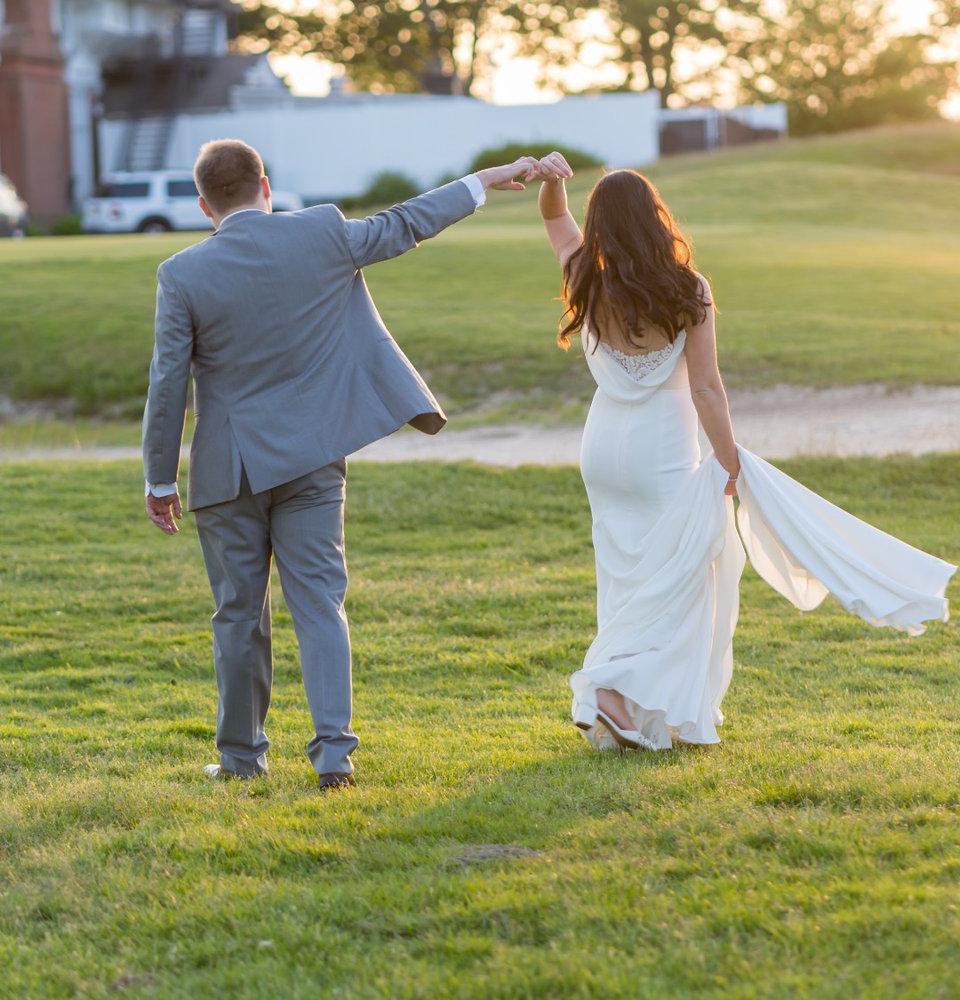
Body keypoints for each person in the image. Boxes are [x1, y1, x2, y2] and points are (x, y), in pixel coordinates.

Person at [142, 139, 543, 788]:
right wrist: (483, 180)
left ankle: (242, 761)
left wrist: (160, 479)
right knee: (321, 606)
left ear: (203, 206)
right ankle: (334, 757)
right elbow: (406, 224)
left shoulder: (180, 273)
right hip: (313, 459)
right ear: (264, 188)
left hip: (229, 470)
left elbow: (168, 385)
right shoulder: (324, 231)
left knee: (238, 619)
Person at [535, 151, 956, 752]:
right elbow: (706, 387)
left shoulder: (584, 274)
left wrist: (553, 184)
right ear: (656, 218)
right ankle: (612, 689)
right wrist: (730, 461)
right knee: (683, 576)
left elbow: (555, 219)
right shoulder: (688, 288)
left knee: (626, 572)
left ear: (601, 224)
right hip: (661, 449)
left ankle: (629, 702)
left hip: (603, 449)